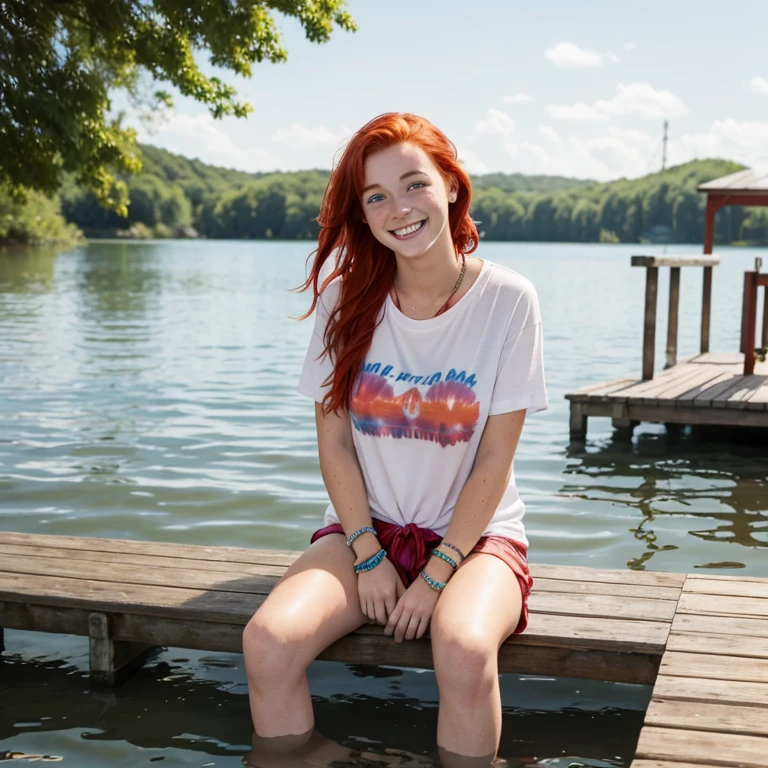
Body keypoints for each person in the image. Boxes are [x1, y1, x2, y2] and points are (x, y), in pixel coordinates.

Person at [242, 112, 548, 762]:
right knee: (266, 643)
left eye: (414, 184)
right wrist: (368, 554)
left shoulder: (509, 300)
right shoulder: (344, 301)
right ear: (362, 212)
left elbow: (496, 457)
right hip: (362, 532)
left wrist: (437, 574)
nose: (398, 208)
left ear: (451, 186)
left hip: (476, 539)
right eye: (376, 196)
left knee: (463, 652)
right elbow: (336, 444)